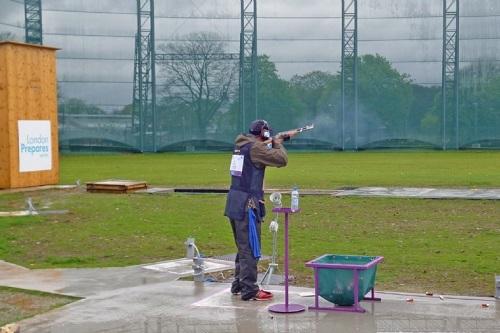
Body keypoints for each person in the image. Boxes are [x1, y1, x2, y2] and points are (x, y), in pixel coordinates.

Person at [224, 119, 297, 301]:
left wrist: (272, 142)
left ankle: (239, 285)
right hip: (247, 204)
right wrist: (278, 143)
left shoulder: (242, 145)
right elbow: (282, 160)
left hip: (235, 201)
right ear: (263, 133)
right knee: (250, 248)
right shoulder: (255, 148)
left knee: (243, 247)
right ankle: (249, 289)